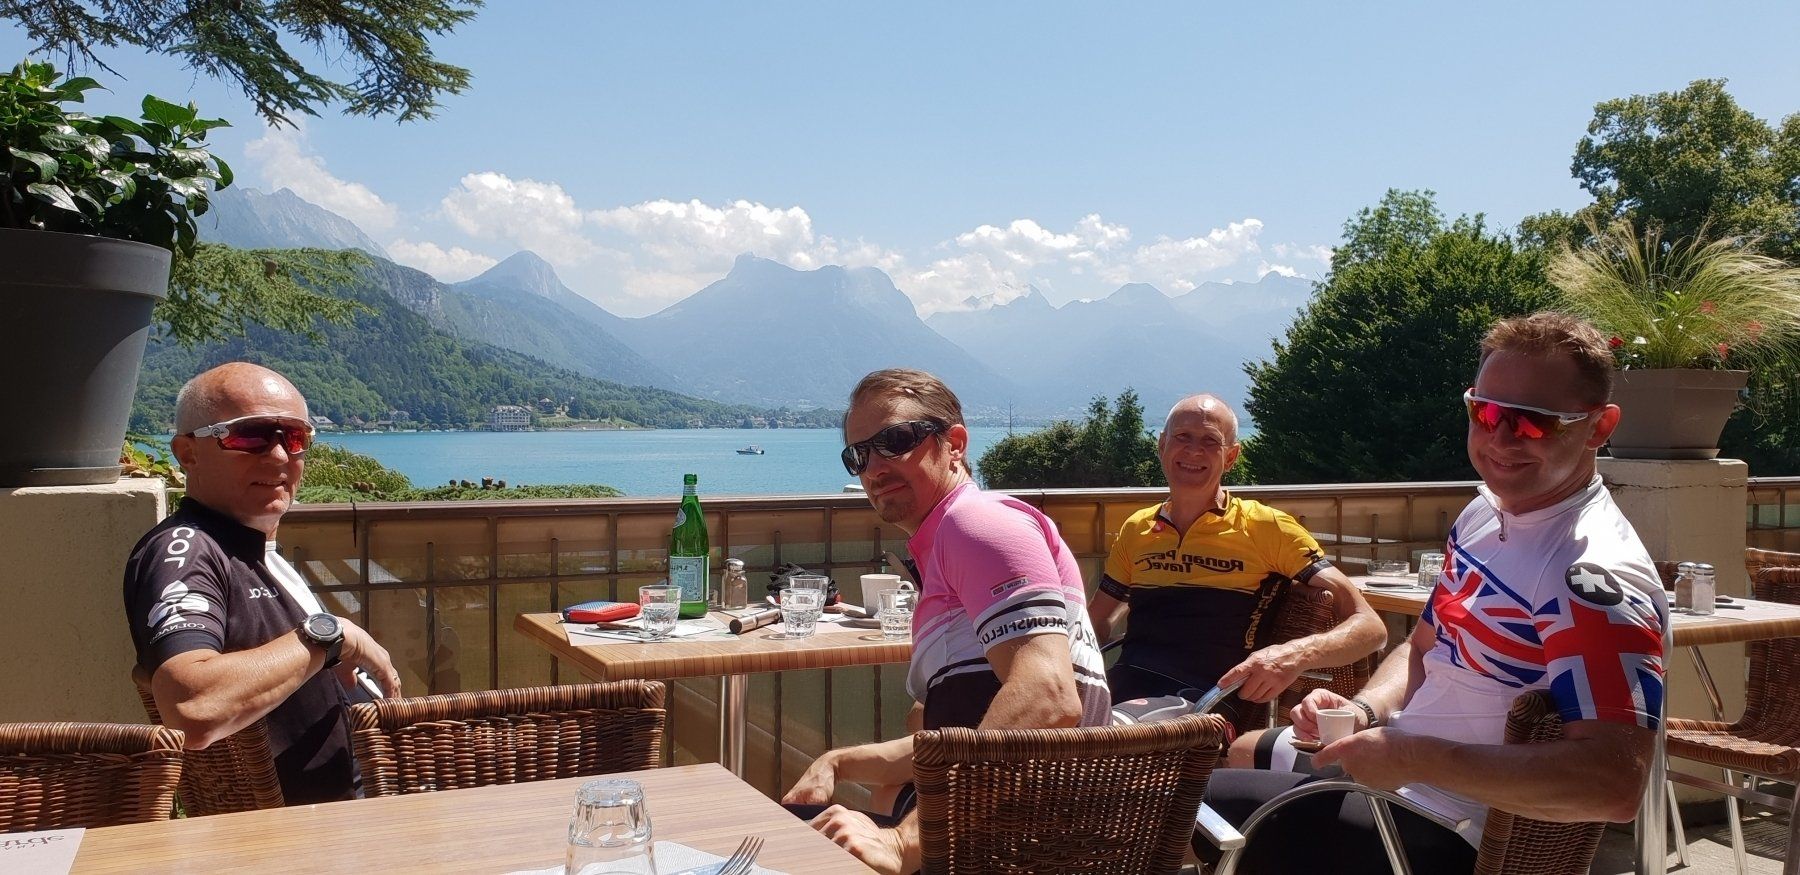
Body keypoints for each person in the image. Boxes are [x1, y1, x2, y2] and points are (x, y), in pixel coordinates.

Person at [1199, 312, 1666, 873]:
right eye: (1484, 411)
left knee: (1177, 801)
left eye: (1534, 422)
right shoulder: (1483, 513)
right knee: (1238, 751)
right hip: (1402, 778)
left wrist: (1416, 757)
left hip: (1447, 831)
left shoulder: (1588, 576)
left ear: (1599, 426)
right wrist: (1364, 711)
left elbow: (1613, 785)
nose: (1500, 438)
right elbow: (1421, 647)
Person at [785, 368, 1111, 874]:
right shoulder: (950, 541)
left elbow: (1047, 697)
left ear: (954, 444)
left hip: (1016, 843)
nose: (874, 467)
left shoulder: (976, 523)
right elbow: (968, 734)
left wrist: (905, 841)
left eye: (895, 441)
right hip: (1009, 825)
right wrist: (837, 761)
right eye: (858, 455)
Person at [123, 362, 401, 805]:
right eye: (249, 436)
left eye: (295, 438)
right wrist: (329, 636)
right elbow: (192, 706)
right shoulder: (186, 550)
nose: (279, 456)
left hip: (360, 797)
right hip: (310, 828)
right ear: (188, 452)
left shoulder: (251, 550)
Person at [1089, 394, 1385, 751]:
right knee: (1048, 719)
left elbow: (1371, 627)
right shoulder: (1137, 528)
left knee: (1102, 738)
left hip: (1207, 701)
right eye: (1183, 437)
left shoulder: (1266, 527)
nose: (1194, 450)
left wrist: (1295, 655)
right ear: (1162, 445)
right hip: (1125, 687)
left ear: (1231, 457)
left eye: (1210, 441)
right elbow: (1097, 621)